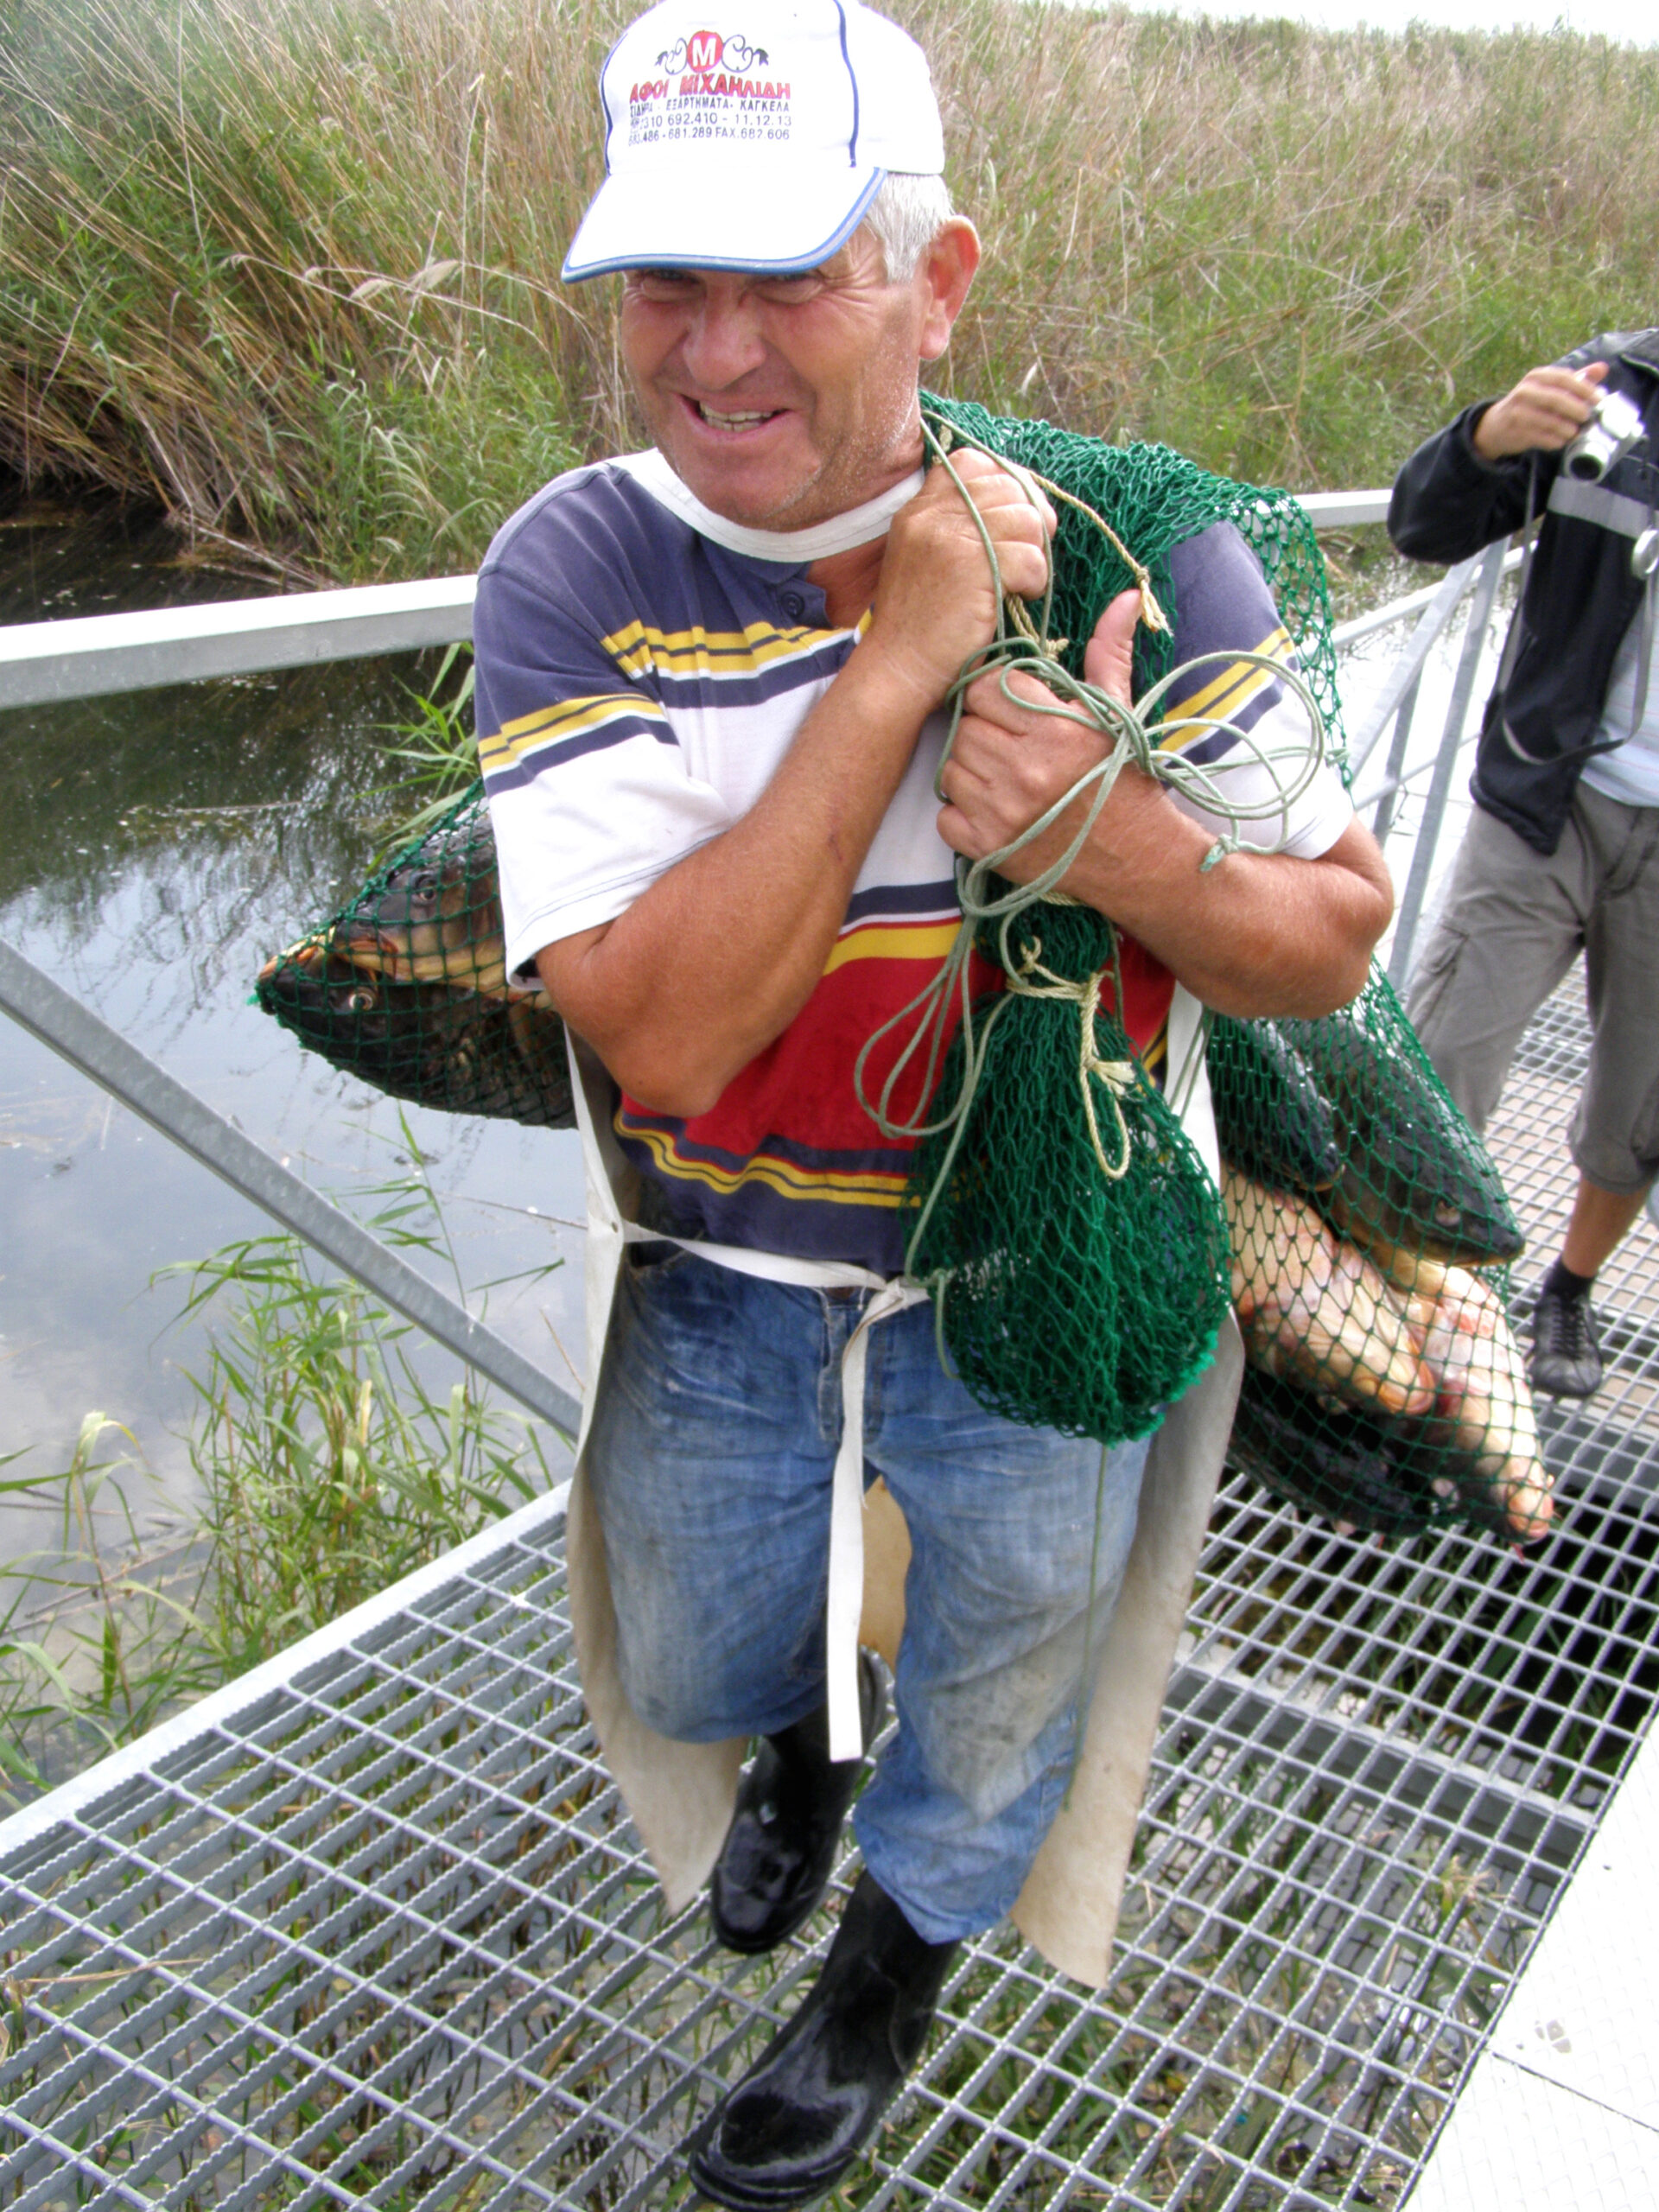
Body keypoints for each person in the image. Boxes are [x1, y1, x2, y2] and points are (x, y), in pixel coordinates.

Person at [473, 4, 1391, 2202]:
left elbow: (1333, 939)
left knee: (1002, 1672)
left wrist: (1125, 846)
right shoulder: (576, 568)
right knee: (690, 1638)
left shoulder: (1150, 549)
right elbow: (665, 1040)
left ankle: (893, 1961)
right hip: (713, 1264)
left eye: (789, 276)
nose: (712, 353)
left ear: (938, 281)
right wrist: (901, 662)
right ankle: (798, 1739)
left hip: (1044, 1269)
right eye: (664, 283)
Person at [1390, 330, 1659, 1402]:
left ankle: (1570, 1290)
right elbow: (1421, 527)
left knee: (1638, 1110)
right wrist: (1491, 438)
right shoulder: (1616, 386)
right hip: (1547, 792)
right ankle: (1396, 1297)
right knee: (1440, 1058)